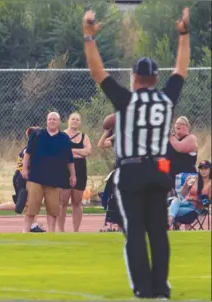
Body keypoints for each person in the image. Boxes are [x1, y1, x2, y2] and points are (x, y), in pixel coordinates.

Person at [83, 8, 190, 299]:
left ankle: (143, 287)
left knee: (135, 232)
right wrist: (183, 35)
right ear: (156, 78)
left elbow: (97, 73)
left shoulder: (126, 100)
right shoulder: (166, 99)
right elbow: (181, 70)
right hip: (161, 168)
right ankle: (161, 287)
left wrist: (89, 38)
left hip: (131, 170)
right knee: (158, 231)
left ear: (134, 77)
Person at [22, 112, 76, 233]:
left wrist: (73, 175)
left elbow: (69, 159)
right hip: (36, 177)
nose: (52, 121)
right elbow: (27, 153)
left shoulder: (64, 138)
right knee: (31, 207)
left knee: (53, 210)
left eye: (54, 119)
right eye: (50, 119)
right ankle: (25, 232)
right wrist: (24, 169)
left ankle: (51, 233)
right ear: (46, 121)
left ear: (59, 122)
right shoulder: (37, 135)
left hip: (54, 179)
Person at [0, 127, 45, 232]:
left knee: (27, 202)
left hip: (21, 176)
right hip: (22, 177)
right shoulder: (32, 149)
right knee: (25, 203)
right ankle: (32, 225)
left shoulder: (31, 148)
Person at [58, 112, 92, 232]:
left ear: (80, 122)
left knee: (77, 202)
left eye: (77, 120)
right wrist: (79, 151)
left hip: (80, 168)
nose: (75, 121)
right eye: (73, 119)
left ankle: (76, 231)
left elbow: (88, 151)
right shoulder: (61, 135)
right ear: (68, 120)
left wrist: (71, 150)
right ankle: (61, 230)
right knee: (62, 202)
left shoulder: (84, 136)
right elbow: (60, 151)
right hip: (64, 168)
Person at [168, 160, 211, 228]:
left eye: (205, 168)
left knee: (169, 211)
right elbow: (182, 194)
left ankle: (171, 222)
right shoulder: (194, 179)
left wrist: (196, 199)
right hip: (185, 203)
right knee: (176, 200)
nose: (203, 170)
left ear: (210, 169)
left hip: (195, 209)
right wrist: (185, 185)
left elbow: (207, 203)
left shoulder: (210, 183)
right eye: (201, 168)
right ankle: (170, 221)